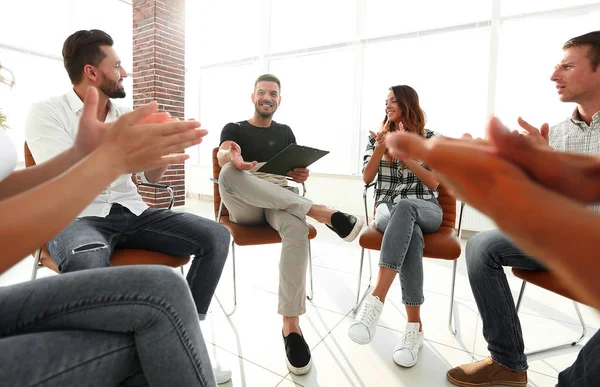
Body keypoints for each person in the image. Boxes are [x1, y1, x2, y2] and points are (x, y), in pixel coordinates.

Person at [387, 30, 600, 387]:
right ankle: (508, 363)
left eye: (566, 66)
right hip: (556, 239)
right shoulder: (557, 133)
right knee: (481, 245)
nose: (553, 75)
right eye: (555, 67)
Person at [24, 30, 232, 383]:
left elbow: (149, 175)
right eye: (117, 65)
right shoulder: (46, 113)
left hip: (132, 213)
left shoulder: (127, 116)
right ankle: (112, 364)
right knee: (88, 263)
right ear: (92, 72)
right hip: (77, 217)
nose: (125, 73)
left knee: (216, 237)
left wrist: (162, 153)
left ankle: (181, 338)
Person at [217, 74, 364, 375]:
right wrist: (228, 157)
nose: (267, 98)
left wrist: (300, 175)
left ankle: (291, 327)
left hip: (280, 196)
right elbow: (222, 155)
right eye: (262, 92)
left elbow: (293, 172)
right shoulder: (235, 128)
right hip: (246, 199)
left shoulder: (285, 132)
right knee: (228, 174)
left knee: (297, 228)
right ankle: (322, 212)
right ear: (253, 96)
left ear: (279, 100)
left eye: (273, 93)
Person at [347, 85, 441, 368]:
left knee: (408, 207)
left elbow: (434, 183)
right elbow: (366, 178)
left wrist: (405, 155)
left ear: (407, 104)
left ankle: (375, 301)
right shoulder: (376, 136)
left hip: (426, 208)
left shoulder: (431, 138)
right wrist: (380, 147)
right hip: (387, 208)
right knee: (408, 231)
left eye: (393, 101)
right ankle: (414, 329)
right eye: (385, 102)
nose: (387, 106)